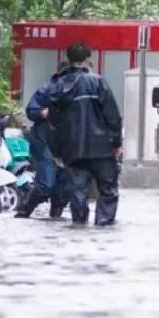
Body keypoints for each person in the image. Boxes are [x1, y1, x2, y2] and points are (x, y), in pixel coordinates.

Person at [47, 43, 123, 226]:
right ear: (88, 60)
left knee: (78, 192)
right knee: (108, 190)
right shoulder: (98, 82)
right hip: (102, 148)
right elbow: (112, 115)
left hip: (73, 150)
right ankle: (103, 228)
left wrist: (57, 151)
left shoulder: (57, 87)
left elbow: (53, 123)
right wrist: (116, 142)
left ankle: (79, 225)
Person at [15, 61, 70, 218]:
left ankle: (55, 216)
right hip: (44, 140)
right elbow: (31, 111)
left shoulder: (77, 92)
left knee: (63, 189)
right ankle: (24, 210)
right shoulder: (46, 90)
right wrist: (45, 113)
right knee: (46, 184)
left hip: (65, 145)